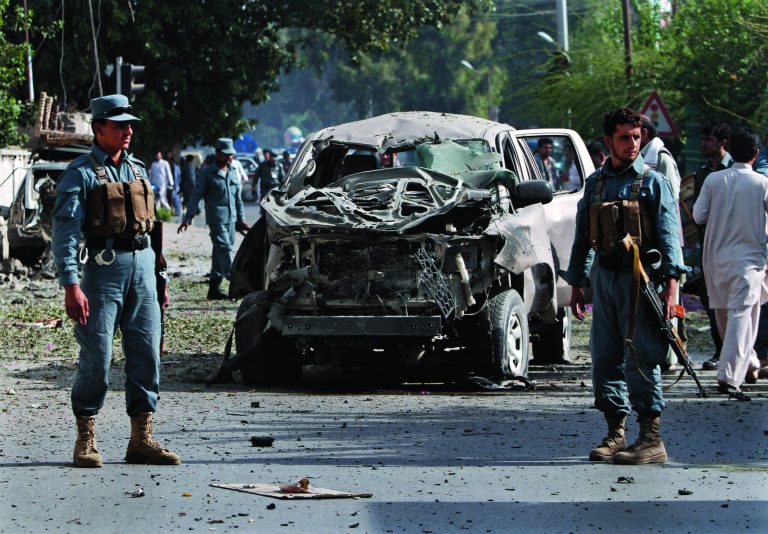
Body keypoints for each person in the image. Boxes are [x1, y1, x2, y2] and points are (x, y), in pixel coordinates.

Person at [51, 94, 181, 468]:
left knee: (146, 353)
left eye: (130, 124)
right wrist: (71, 285)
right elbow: (65, 233)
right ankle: (85, 438)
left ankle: (142, 438)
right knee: (98, 356)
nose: (128, 130)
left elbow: (154, 229)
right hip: (102, 272)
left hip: (142, 269)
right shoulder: (81, 173)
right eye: (119, 124)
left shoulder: (139, 170)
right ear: (99, 129)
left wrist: (161, 277)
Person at [566, 108, 687, 465]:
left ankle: (650, 437)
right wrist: (577, 283)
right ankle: (615, 433)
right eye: (625, 137)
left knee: (641, 356)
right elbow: (583, 236)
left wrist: (672, 288)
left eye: (637, 137)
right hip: (604, 281)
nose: (632, 144)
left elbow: (670, 237)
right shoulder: (595, 184)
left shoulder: (653, 182)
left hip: (641, 283)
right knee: (605, 356)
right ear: (608, 141)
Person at [693, 127, 767, 393]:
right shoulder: (762, 183)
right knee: (741, 315)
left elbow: (699, 216)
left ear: (730, 150)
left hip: (715, 260)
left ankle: (748, 363)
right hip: (749, 261)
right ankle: (728, 377)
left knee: (726, 315)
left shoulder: (714, 180)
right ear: (756, 155)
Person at [178, 138, 250, 300]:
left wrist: (241, 218)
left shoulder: (232, 171)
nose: (228, 157)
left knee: (219, 252)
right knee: (224, 248)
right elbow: (196, 196)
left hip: (231, 219)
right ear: (217, 153)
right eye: (225, 154)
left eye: (230, 155)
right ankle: (236, 283)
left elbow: (237, 198)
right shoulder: (207, 173)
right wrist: (188, 217)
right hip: (216, 219)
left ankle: (213, 289)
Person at [639, 115, 685, 371]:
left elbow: (669, 203)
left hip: (665, 240)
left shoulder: (660, 157)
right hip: (650, 244)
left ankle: (670, 355)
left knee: (669, 300)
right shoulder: (646, 156)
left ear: (644, 133)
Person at [692, 122, 733, 370]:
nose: (703, 144)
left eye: (708, 139)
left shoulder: (737, 169)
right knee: (711, 301)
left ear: (722, 143)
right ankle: (720, 349)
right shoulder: (703, 173)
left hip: (735, 245)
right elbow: (699, 213)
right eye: (703, 139)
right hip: (710, 246)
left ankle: (736, 352)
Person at [165, 151, 182, 216]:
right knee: (167, 199)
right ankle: (169, 212)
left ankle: (177, 212)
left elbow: (178, 176)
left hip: (174, 185)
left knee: (175, 198)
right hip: (166, 185)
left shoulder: (175, 166)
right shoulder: (165, 164)